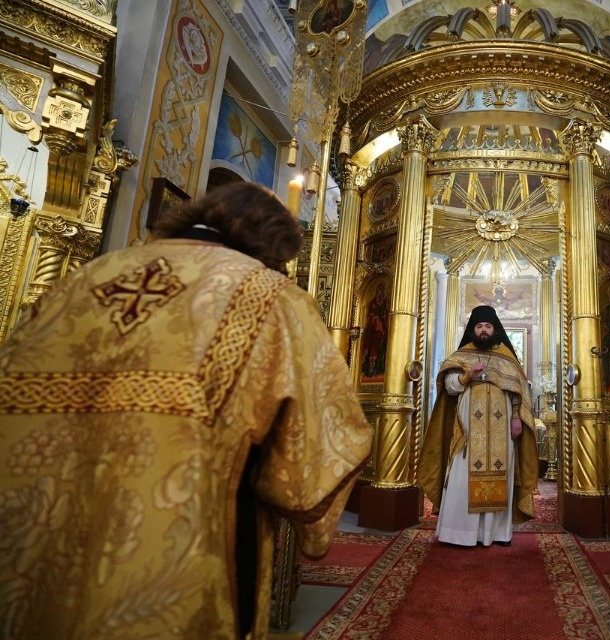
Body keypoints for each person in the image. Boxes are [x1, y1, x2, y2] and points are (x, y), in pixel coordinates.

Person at [0, 182, 372, 640]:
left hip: (33, 524)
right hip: (182, 537)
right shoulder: (271, 295)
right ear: (274, 243)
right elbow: (328, 435)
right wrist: (308, 520)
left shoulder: (86, 277)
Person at [420, 305, 539, 547]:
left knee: (501, 474)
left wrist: (517, 417)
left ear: (495, 329)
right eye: (479, 326)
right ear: (472, 329)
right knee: (461, 477)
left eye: (488, 326)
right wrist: (467, 376)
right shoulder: (461, 356)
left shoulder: (507, 357)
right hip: (467, 432)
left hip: (502, 431)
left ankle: (497, 534)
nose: (483, 330)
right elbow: (449, 386)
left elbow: (517, 392)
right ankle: (459, 534)